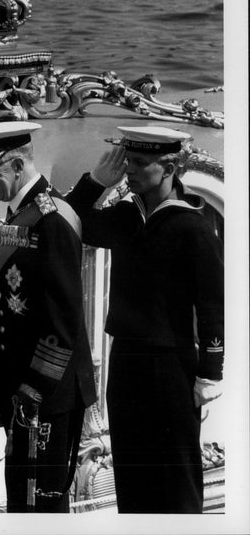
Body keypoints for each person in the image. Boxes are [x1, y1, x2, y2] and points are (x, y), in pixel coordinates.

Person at [64, 126, 224, 513]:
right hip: (127, 360)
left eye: (138, 163)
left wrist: (210, 373)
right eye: (127, 161)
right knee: (133, 474)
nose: (129, 171)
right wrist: (95, 182)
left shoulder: (194, 227)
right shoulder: (126, 217)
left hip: (171, 365)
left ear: (168, 166)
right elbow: (67, 221)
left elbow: (213, 306)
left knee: (175, 477)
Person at [0, 121, 97, 513]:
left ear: (18, 165)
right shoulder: (24, 212)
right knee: (24, 499)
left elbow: (64, 317)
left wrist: (34, 387)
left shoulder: (51, 219)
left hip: (46, 394)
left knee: (41, 504)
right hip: (24, 390)